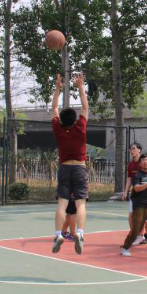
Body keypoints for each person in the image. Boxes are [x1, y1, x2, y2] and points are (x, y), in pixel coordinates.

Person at [51, 73, 89, 254]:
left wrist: (57, 89)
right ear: (75, 119)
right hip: (79, 167)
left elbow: (54, 108)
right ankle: (79, 232)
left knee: (62, 205)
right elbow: (85, 106)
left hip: (64, 168)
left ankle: (58, 234)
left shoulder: (58, 129)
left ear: (62, 120)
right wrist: (80, 86)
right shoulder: (80, 128)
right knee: (80, 204)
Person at [122, 142, 147, 246]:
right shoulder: (131, 165)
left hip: (143, 194)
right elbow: (129, 179)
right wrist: (125, 191)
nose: (131, 150)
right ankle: (135, 235)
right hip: (134, 194)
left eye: (133, 148)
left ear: (139, 150)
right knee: (131, 216)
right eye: (130, 149)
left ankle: (141, 236)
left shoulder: (144, 163)